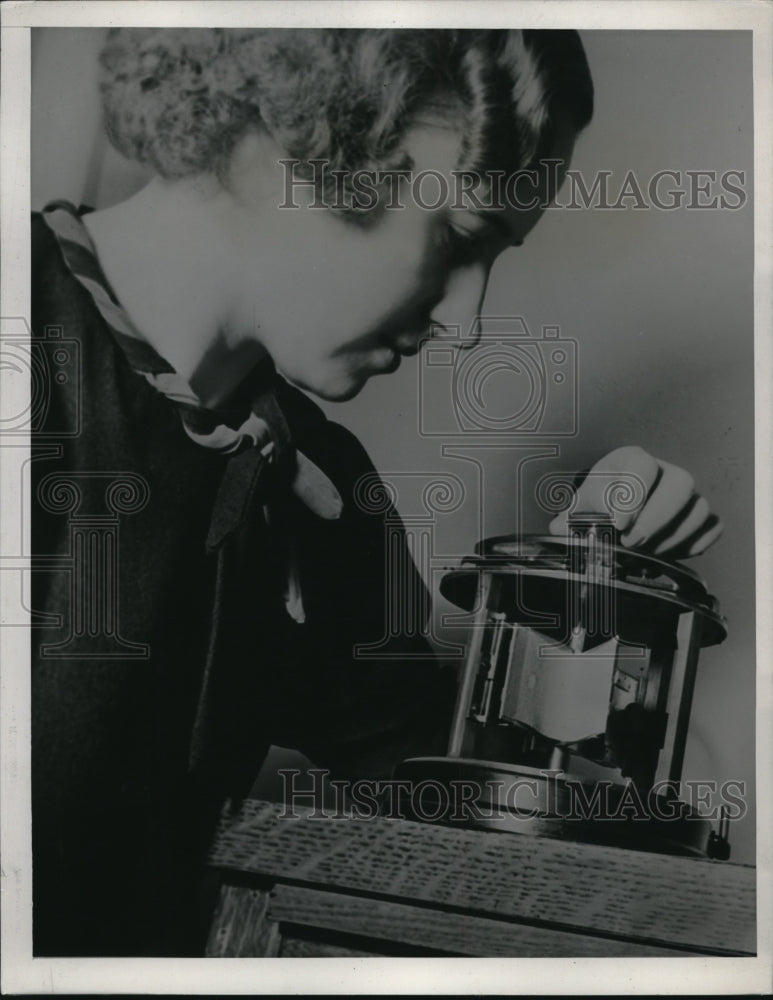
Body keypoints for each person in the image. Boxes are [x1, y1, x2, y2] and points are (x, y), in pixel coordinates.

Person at [30, 27, 722, 957]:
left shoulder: (316, 480)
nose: (464, 319)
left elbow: (432, 786)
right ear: (296, 148)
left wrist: (594, 564)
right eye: (459, 236)